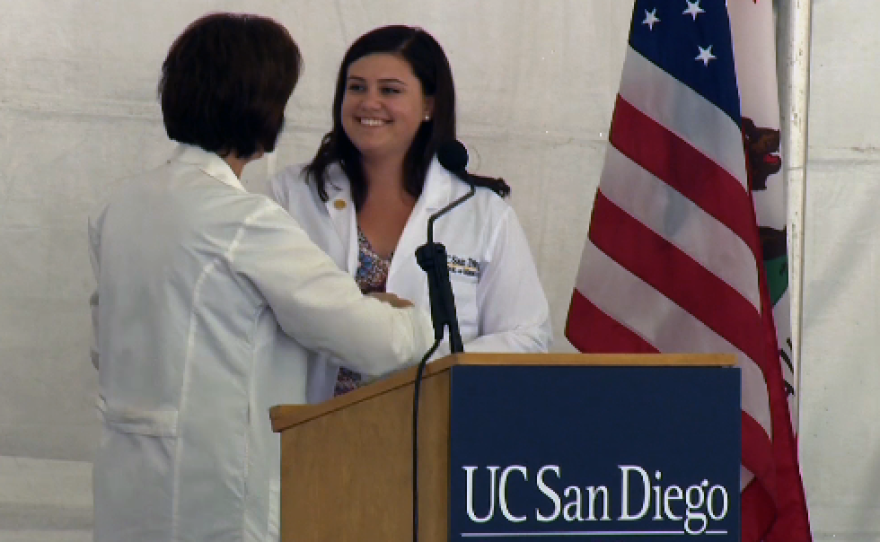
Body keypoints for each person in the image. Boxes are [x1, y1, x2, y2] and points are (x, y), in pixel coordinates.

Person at [87, 14, 433, 542]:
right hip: (216, 501)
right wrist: (413, 320)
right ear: (263, 108)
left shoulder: (122, 206)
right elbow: (370, 341)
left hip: (129, 489)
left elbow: (104, 345)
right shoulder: (243, 221)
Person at [267, 25, 551, 401]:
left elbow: (527, 337)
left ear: (429, 106)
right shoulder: (294, 193)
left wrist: (427, 367)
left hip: (431, 429)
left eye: (390, 90)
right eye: (356, 88)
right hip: (311, 431)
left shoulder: (482, 211)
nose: (369, 103)